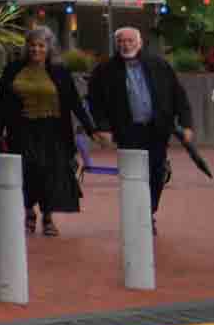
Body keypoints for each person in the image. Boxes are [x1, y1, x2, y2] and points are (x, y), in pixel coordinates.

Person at [79, 23, 205, 214]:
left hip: (157, 129)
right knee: (133, 174)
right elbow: (96, 103)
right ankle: (138, 213)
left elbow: (178, 94)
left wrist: (186, 124)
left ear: (139, 43)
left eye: (130, 41)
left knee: (157, 173)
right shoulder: (104, 70)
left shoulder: (158, 65)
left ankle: (148, 211)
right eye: (121, 41)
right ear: (116, 44)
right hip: (127, 131)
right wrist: (102, 128)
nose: (125, 45)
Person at [0, 29, 82, 239]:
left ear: (49, 48)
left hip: (53, 131)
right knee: (26, 172)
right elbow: (2, 104)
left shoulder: (60, 72)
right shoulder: (12, 69)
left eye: (41, 45)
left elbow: (75, 103)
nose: (36, 49)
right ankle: (28, 213)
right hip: (21, 130)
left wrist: (93, 129)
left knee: (49, 174)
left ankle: (47, 216)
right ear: (27, 47)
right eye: (33, 45)